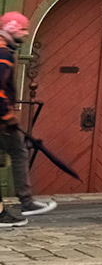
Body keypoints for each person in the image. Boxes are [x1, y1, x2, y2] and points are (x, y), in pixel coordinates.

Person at [0, 12, 53, 226]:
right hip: (2, 119)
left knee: (18, 151)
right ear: (11, 28)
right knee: (19, 153)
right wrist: (7, 115)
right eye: (23, 29)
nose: (26, 33)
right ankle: (25, 202)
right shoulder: (3, 54)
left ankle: (24, 202)